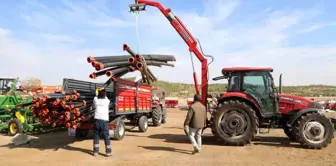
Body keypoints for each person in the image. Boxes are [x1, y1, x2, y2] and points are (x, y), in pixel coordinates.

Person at [93, 88, 112, 157]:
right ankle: (108, 152)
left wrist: (97, 91)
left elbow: (96, 96)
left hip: (97, 120)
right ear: (105, 95)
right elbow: (106, 97)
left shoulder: (96, 100)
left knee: (96, 136)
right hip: (104, 121)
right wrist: (103, 90)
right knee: (106, 136)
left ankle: (95, 151)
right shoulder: (107, 101)